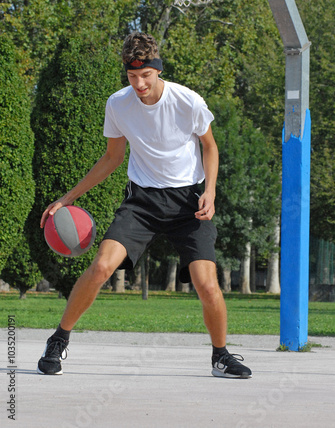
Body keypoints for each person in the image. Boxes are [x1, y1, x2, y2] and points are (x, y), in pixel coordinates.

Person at [37, 32, 252, 379]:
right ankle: (58, 340)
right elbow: (112, 158)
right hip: (143, 201)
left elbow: (209, 147)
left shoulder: (188, 101)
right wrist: (67, 198)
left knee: (206, 283)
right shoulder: (118, 104)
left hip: (189, 201)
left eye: (146, 76)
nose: (139, 84)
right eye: (132, 76)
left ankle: (221, 355)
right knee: (101, 267)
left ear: (158, 70)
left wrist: (210, 190)